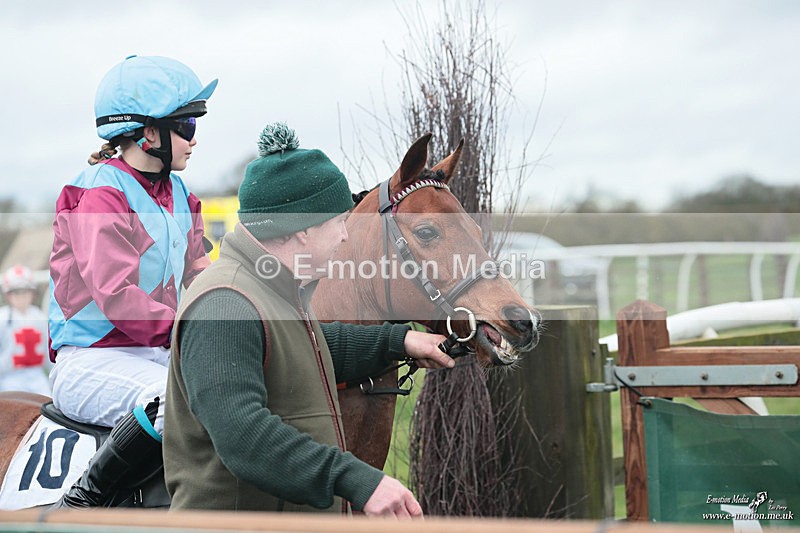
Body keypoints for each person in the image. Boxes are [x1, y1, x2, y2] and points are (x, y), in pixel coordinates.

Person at [164, 123, 454, 517]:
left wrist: (397, 342)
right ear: (302, 231)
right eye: (338, 223)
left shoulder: (270, 290)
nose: (345, 237)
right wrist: (358, 480)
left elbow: (304, 349)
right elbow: (244, 437)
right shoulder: (224, 305)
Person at [47, 55, 217, 508]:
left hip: (156, 353)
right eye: (187, 125)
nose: (194, 139)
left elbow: (200, 277)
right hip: (91, 361)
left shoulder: (182, 196)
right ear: (148, 132)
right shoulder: (99, 193)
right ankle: (86, 498)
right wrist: (193, 329)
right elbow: (118, 298)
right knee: (174, 403)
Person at [0, 265, 50, 395]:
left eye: (25, 292)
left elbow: (48, 350)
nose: (21, 297)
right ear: (8, 295)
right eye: (16, 292)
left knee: (47, 409)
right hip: (9, 377)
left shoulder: (39, 316)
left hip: (37, 376)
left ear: (32, 293)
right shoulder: (3, 318)